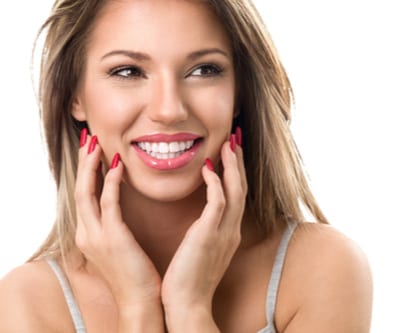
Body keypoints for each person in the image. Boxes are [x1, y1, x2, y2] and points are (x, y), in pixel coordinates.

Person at [0, 0, 372, 331]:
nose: (169, 110)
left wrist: (190, 310)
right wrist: (138, 307)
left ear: (239, 93)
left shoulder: (320, 269)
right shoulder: (28, 302)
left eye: (204, 70)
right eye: (128, 72)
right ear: (74, 97)